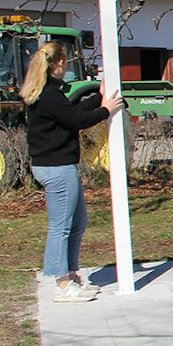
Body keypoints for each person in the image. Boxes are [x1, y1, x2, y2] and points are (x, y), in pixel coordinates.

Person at [20, 41, 125, 303]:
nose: (65, 67)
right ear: (58, 64)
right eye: (65, 63)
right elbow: (78, 120)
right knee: (61, 227)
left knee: (78, 223)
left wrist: (98, 98)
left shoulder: (48, 94)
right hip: (57, 169)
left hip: (58, 167)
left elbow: (72, 112)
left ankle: (71, 275)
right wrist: (106, 110)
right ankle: (62, 284)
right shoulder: (49, 95)